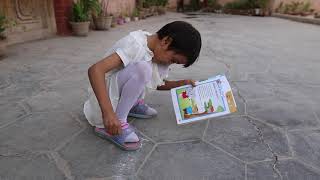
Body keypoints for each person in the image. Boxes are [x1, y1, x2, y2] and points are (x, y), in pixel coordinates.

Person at [84, 21, 202, 151]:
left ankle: (131, 104)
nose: (170, 63)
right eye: (173, 60)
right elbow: (96, 70)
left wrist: (180, 84)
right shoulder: (135, 45)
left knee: (152, 68)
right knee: (143, 69)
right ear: (166, 41)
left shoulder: (155, 50)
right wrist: (108, 114)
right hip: (104, 102)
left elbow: (154, 83)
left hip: (117, 94)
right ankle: (117, 122)